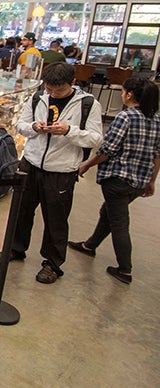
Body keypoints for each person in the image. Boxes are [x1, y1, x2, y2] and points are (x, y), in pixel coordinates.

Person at [0, 62, 103, 284]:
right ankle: (16, 248)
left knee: (56, 218)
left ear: (72, 83)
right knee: (22, 210)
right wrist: (34, 128)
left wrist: (69, 131)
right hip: (30, 163)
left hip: (61, 170)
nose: (53, 94)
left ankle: (53, 263)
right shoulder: (38, 98)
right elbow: (21, 125)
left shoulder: (87, 104)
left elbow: (95, 138)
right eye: (49, 89)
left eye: (59, 90)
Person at [70, 78, 160, 284]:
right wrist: (152, 180)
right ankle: (90, 245)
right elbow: (157, 154)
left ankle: (125, 269)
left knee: (119, 222)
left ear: (129, 94)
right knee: (109, 212)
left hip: (118, 179)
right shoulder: (156, 119)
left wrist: (87, 165)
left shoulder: (125, 117)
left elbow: (107, 150)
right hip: (140, 181)